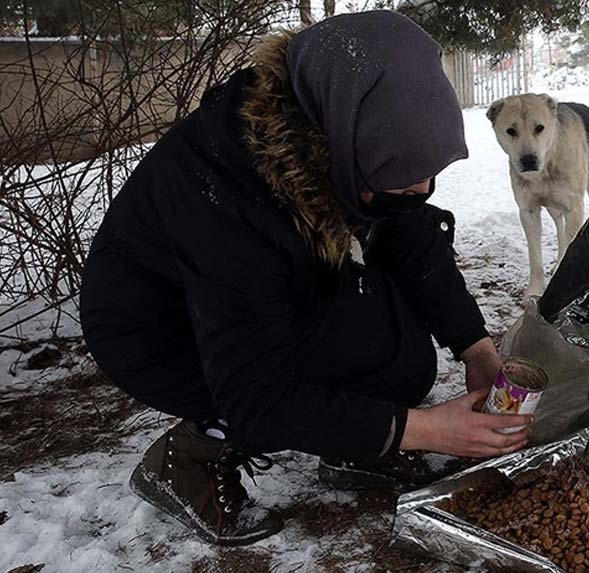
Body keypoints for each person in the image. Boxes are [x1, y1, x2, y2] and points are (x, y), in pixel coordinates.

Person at [79, 11, 533, 546]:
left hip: (266, 284)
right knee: (280, 389)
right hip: (159, 329)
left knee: (400, 355)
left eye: (426, 182)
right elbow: (259, 393)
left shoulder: (337, 125)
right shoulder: (227, 195)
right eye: (393, 184)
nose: (419, 190)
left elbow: (410, 238)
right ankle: (190, 458)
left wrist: (476, 349)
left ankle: (356, 449)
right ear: (344, 136)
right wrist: (426, 430)